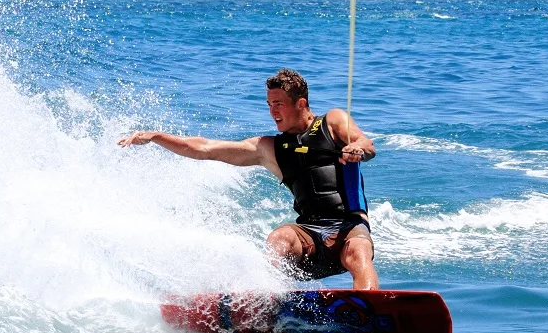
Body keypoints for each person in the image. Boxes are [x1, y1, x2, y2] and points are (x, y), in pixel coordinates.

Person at [117, 68, 379, 289]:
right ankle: (268, 306)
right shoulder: (268, 148)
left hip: (348, 227)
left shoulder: (332, 121)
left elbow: (366, 144)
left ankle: (370, 311)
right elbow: (206, 148)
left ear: (300, 103)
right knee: (279, 240)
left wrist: (356, 149)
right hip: (309, 234)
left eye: (279, 104)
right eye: (268, 104)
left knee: (358, 251)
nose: (272, 111)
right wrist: (156, 137)